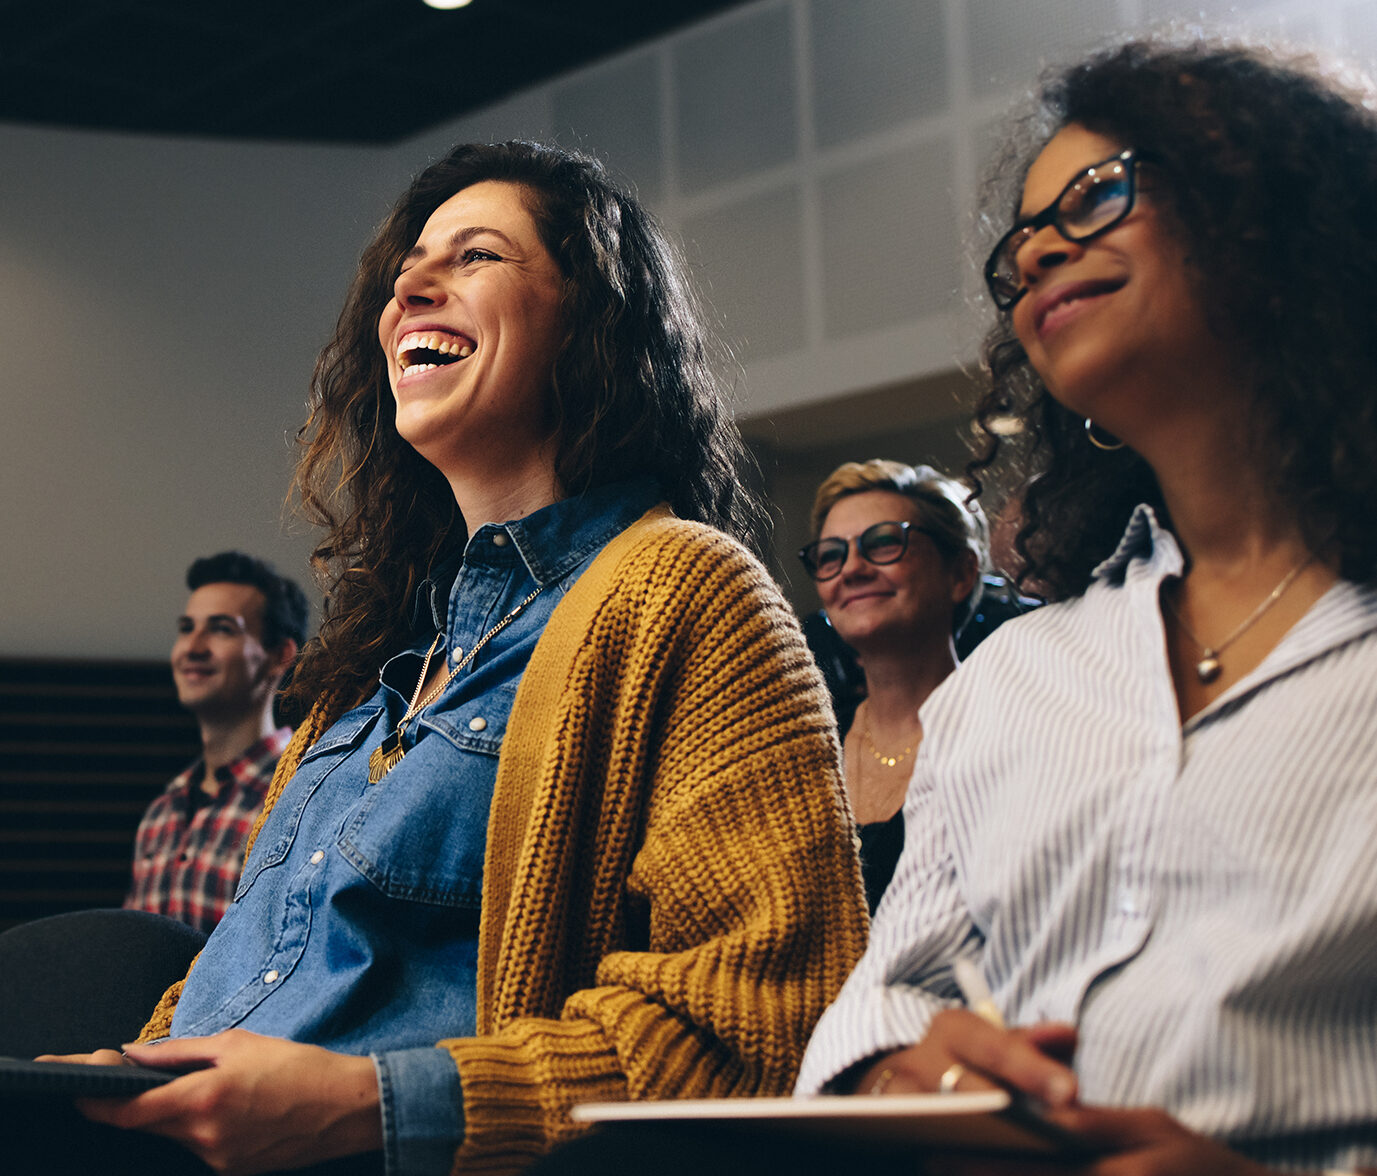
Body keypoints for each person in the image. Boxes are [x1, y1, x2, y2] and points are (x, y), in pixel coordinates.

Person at [42, 141, 866, 1176]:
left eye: (474, 256)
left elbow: (759, 1034)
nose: (412, 287)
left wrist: (371, 1105)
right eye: (406, 271)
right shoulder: (371, 667)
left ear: (592, 320)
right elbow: (257, 973)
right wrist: (133, 1067)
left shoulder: (684, 592)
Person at [795, 36, 1377, 1175]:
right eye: (1022, 244)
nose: (1044, 248)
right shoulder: (1017, 679)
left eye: (1098, 195)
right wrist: (905, 1072)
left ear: (1277, 223)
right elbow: (886, 996)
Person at [799, 460, 988, 912]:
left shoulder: (1010, 727)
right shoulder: (806, 749)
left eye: (884, 543)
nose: (852, 569)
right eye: (830, 555)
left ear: (960, 573)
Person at [124, 552, 308, 934]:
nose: (193, 647)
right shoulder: (160, 813)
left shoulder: (302, 795)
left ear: (280, 656)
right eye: (187, 628)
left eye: (221, 628)